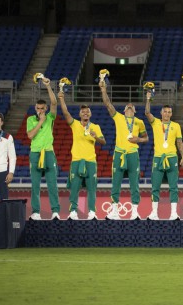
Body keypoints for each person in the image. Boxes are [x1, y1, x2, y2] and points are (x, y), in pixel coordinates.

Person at [100, 80, 149, 220]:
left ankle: (134, 211)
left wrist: (138, 139)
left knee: (134, 183)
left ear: (135, 111)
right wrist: (104, 90)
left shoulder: (139, 122)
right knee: (116, 182)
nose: (129, 107)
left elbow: (146, 138)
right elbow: (108, 104)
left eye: (132, 107)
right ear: (124, 110)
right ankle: (114, 211)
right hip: (119, 153)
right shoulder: (118, 118)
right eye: (127, 106)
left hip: (133, 154)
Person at [59, 91, 105, 220]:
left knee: (92, 188)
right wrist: (62, 99)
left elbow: (103, 142)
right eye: (83, 111)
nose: (85, 113)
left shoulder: (95, 126)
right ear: (79, 114)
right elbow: (66, 113)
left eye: (87, 111)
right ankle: (73, 211)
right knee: (74, 187)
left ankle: (92, 211)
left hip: (91, 161)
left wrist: (96, 137)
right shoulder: (75, 125)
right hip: (77, 161)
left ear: (90, 114)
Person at [145, 92, 183, 220]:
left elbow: (179, 142)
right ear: (161, 113)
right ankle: (154, 213)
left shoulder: (176, 126)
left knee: (173, 187)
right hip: (158, 158)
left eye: (169, 112)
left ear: (171, 114)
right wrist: (148, 99)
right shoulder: (156, 123)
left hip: (172, 158)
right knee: (155, 186)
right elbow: (147, 113)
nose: (167, 114)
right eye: (165, 111)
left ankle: (173, 213)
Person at [27, 78, 60, 220]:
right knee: (35, 184)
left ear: (45, 109)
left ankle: (55, 211)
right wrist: (40, 121)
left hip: (48, 153)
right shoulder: (30, 120)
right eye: (38, 108)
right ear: (35, 108)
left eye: (42, 108)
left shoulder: (51, 117)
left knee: (52, 184)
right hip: (35, 153)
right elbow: (30, 135)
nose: (40, 110)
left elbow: (54, 102)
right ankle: (35, 212)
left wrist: (48, 86)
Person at [0, 112, 16, 201]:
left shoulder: (8, 137)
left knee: (4, 199)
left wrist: (11, 172)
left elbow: (12, 156)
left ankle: (3, 215)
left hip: (2, 172)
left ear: (2, 122)